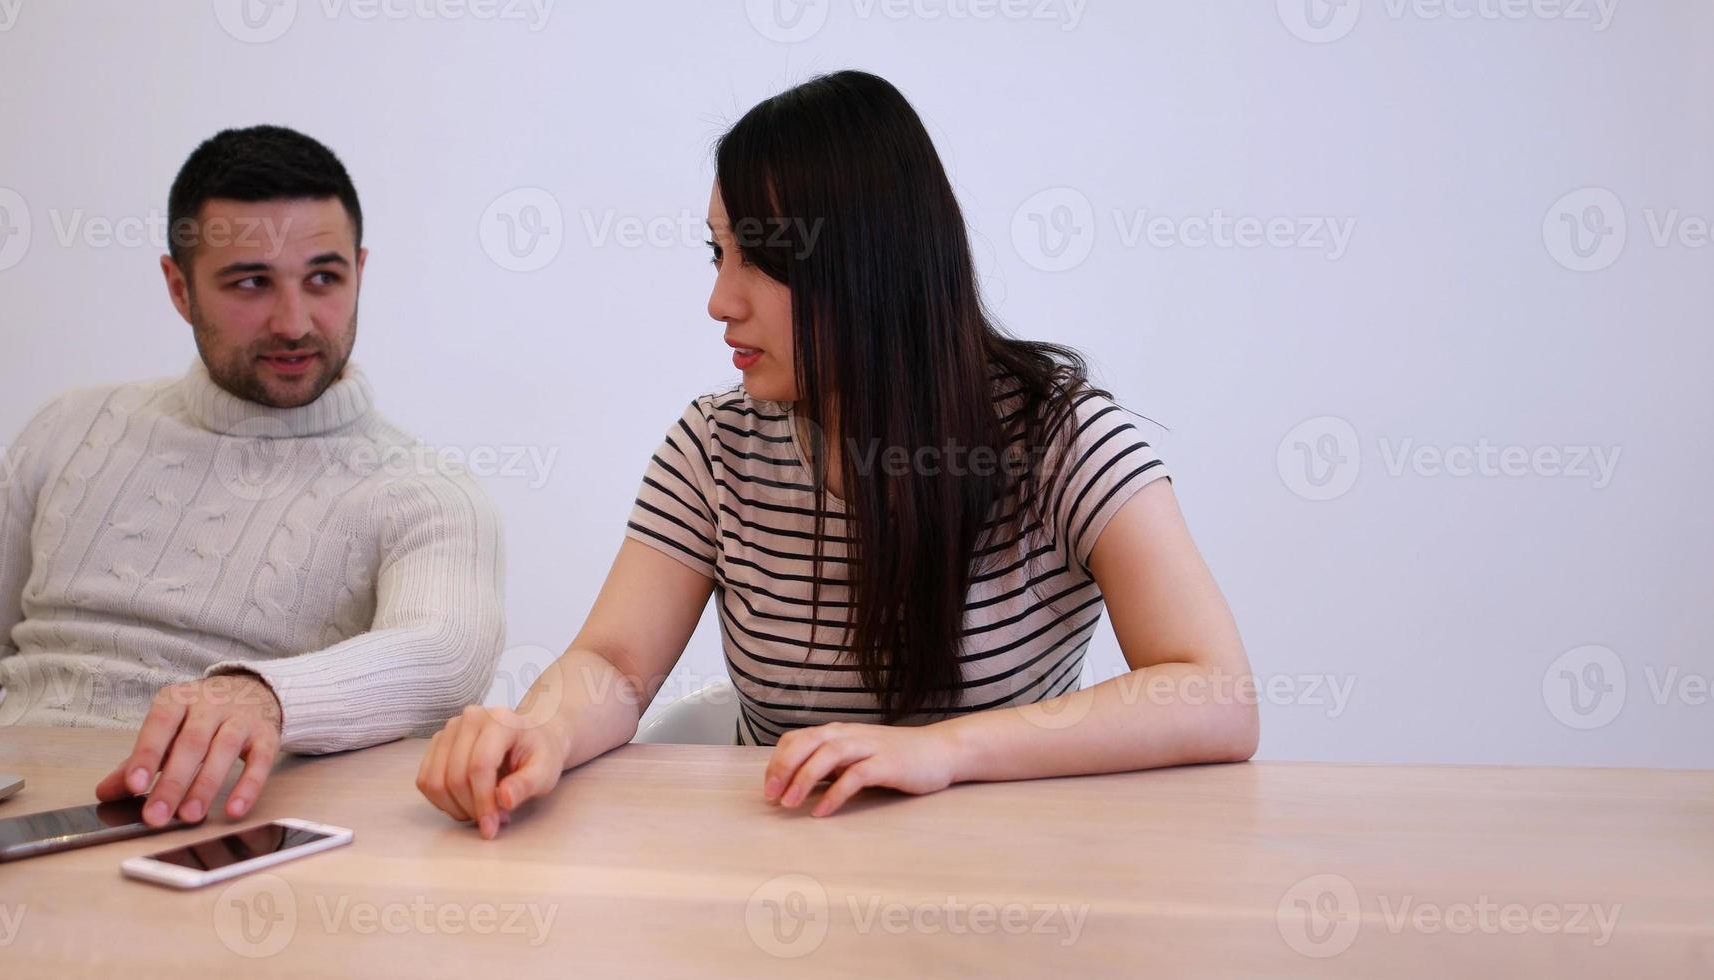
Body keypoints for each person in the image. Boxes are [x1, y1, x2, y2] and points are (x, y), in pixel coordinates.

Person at [416, 71, 1256, 838]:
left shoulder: (1059, 436)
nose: (718, 301)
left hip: (1011, 888)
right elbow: (614, 664)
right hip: (785, 887)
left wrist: (945, 752)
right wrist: (539, 732)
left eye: (761, 259)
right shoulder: (714, 445)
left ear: (870, 267)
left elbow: (1213, 692)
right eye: (718, 254)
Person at [0, 125, 506, 829]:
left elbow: (444, 659)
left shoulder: (425, 493)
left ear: (360, 271)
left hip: (206, 832)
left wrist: (259, 697)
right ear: (179, 288)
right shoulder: (69, 426)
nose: (294, 322)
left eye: (324, 279)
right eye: (251, 283)